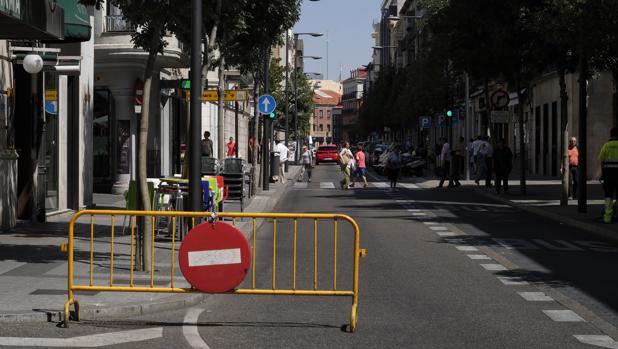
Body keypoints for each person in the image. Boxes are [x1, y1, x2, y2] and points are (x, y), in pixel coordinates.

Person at [598, 127, 618, 224]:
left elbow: (601, 161)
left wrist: (602, 174)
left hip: (608, 175)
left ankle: (607, 217)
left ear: (610, 134)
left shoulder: (606, 146)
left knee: (608, 196)